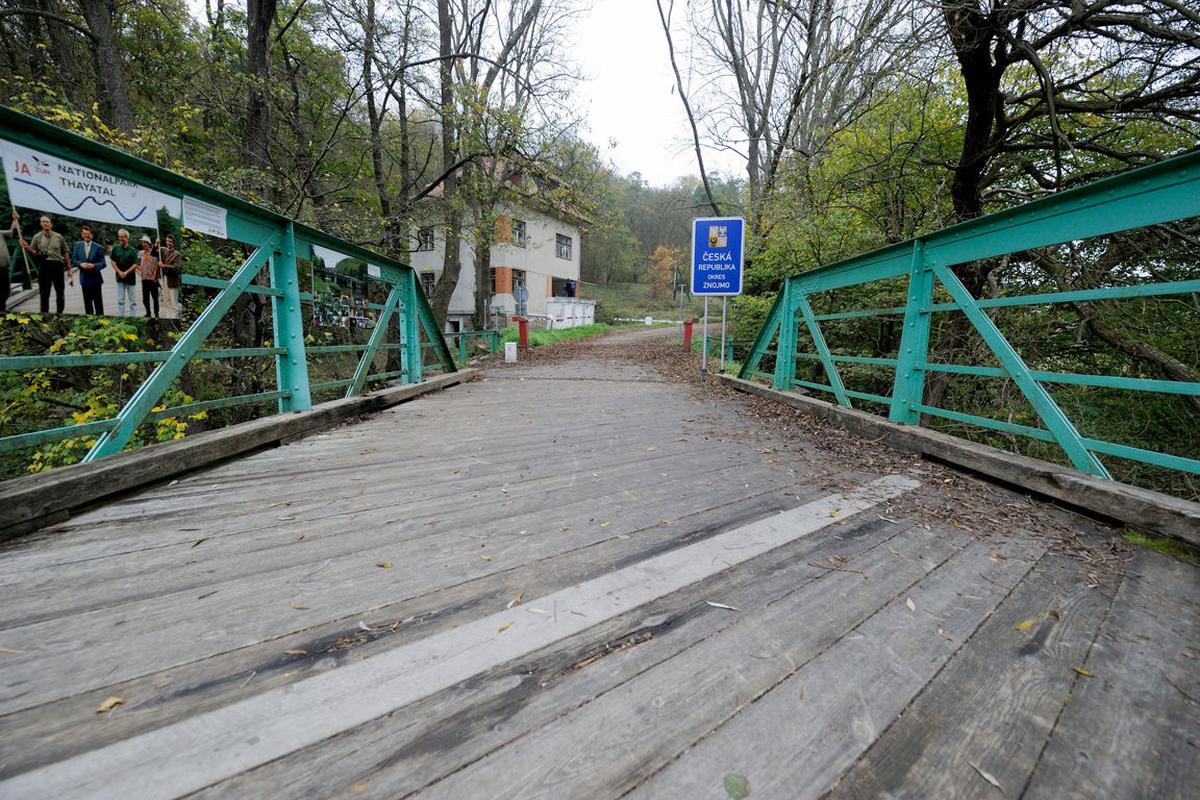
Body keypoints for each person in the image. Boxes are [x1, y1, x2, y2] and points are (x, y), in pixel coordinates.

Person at [20, 214, 73, 314]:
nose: (45, 223)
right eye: (42, 221)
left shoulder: (58, 236)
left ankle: (60, 313)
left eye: (47, 221)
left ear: (51, 224)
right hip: (44, 266)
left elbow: (65, 252)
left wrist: (69, 269)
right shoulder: (37, 237)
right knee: (44, 293)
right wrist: (27, 247)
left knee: (60, 292)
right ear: (40, 224)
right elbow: (34, 253)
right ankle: (44, 314)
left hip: (57, 265)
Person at [72, 224, 107, 315]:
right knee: (87, 305)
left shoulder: (99, 247)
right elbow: (74, 260)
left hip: (96, 279)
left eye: (88, 234)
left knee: (98, 304)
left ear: (92, 235)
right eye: (85, 233)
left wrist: (94, 266)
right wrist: (81, 264)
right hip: (84, 279)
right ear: (82, 234)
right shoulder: (77, 245)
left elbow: (103, 263)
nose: (87, 235)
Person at [110, 228, 139, 316]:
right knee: (120, 300)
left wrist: (125, 273)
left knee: (132, 301)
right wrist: (119, 272)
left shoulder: (133, 250)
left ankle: (133, 317)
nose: (120, 239)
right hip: (120, 278)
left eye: (122, 237)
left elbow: (135, 265)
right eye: (119, 237)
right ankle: (121, 317)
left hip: (130, 279)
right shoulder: (116, 249)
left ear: (127, 237)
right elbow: (112, 261)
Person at [0, 210, 21, 311]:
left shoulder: (0, 233)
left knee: (5, 291)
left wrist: (15, 219)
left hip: (3, 267)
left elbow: (11, 232)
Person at [158, 234, 181, 315]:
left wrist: (163, 266)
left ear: (173, 243)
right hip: (164, 278)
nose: (168, 243)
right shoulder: (163, 250)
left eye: (170, 242)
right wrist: (156, 243)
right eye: (167, 241)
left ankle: (175, 315)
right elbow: (154, 252)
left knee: (173, 300)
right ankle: (169, 315)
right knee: (166, 298)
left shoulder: (177, 254)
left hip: (173, 279)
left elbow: (176, 267)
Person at [137, 235, 160, 318]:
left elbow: (157, 264)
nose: (143, 244)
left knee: (155, 299)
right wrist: (140, 269)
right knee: (145, 299)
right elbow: (137, 264)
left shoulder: (155, 252)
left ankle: (157, 314)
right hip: (144, 279)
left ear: (148, 243)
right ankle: (148, 313)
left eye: (144, 243)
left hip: (153, 279)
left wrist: (156, 244)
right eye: (142, 243)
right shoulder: (140, 253)